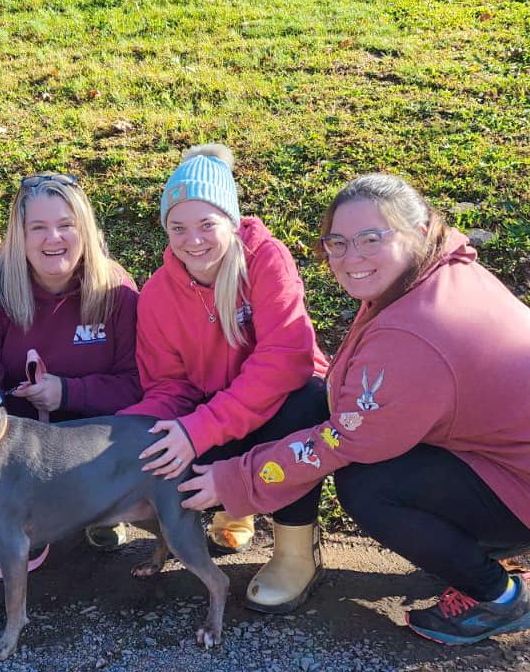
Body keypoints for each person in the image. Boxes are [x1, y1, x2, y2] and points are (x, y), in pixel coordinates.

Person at [180, 173, 530, 645]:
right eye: (338, 242)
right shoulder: (442, 272)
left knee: (369, 485)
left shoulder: (414, 334)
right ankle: (485, 548)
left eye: (371, 238)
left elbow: (344, 443)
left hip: (515, 481)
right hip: (504, 458)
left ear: (420, 229)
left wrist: (234, 479)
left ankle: (498, 597)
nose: (351, 257)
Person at [121, 144, 329, 607]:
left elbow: (286, 359)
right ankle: (234, 512)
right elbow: (167, 386)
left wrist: (198, 430)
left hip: (282, 406)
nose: (192, 240)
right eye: (178, 227)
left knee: (305, 402)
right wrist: (130, 437)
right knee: (159, 461)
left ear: (231, 221)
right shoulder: (156, 294)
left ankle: (297, 551)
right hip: (217, 413)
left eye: (206, 225)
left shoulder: (265, 259)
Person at [0, 171, 142, 548]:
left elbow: (137, 384)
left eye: (66, 225)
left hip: (92, 444)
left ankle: (102, 508)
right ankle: (1, 514)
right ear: (20, 236)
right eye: (38, 228)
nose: (53, 239)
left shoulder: (116, 290)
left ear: (84, 229)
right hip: (14, 448)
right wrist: (0, 421)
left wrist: (67, 393)